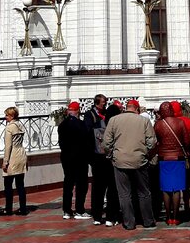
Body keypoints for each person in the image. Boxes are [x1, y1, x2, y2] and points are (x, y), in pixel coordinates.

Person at [102, 99, 157, 230]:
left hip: (120, 160)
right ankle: (148, 220)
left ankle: (129, 222)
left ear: (126, 108)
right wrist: (145, 152)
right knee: (144, 192)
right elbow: (152, 141)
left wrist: (111, 155)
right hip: (139, 160)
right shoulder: (144, 121)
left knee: (124, 193)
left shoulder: (114, 120)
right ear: (137, 109)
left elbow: (106, 143)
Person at [84, 94, 119, 226]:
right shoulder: (112, 124)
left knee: (98, 188)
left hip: (98, 158)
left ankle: (97, 216)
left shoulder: (99, 122)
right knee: (111, 189)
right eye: (103, 102)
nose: (104, 104)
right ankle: (109, 217)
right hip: (108, 159)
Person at [154, 101, 188, 226]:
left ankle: (168, 217)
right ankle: (176, 216)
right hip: (178, 157)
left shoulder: (158, 124)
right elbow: (186, 141)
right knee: (176, 189)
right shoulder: (180, 122)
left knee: (166, 189)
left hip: (164, 157)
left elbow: (155, 141)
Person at [58, 101, 92, 220]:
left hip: (66, 158)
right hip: (80, 158)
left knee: (68, 183)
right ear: (78, 111)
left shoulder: (62, 125)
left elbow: (61, 143)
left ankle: (67, 210)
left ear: (68, 111)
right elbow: (86, 142)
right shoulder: (81, 125)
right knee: (81, 184)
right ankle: (79, 210)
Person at [0, 106, 28, 216]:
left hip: (13, 156)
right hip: (21, 154)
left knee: (8, 184)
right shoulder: (20, 125)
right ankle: (23, 208)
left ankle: (8, 208)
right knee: (20, 184)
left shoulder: (9, 128)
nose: (5, 117)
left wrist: (5, 162)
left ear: (12, 116)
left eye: (7, 115)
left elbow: (8, 146)